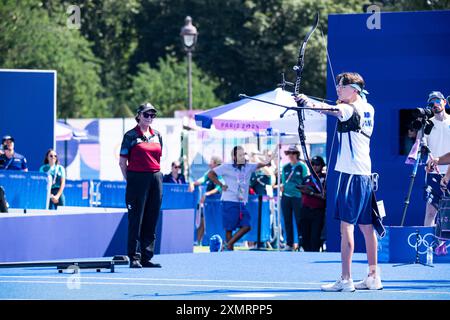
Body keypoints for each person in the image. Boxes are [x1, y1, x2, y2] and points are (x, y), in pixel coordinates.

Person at [296, 72, 382, 291]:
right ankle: (373, 277)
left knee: (347, 229)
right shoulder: (368, 107)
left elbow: (333, 110)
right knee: (366, 227)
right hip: (364, 175)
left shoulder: (348, 108)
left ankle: (346, 279)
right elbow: (340, 107)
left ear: (354, 89)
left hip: (350, 175)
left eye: (342, 87)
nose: (338, 90)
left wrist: (306, 102)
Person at [119, 102, 163, 269]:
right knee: (136, 218)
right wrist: (129, 180)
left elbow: (158, 158)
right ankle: (134, 256)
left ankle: (146, 256)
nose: (150, 117)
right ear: (138, 116)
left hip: (155, 177)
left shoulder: (158, 135)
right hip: (137, 178)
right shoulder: (130, 135)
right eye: (146, 114)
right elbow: (122, 162)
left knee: (152, 217)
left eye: (152, 115)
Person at [207, 145, 275, 251]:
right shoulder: (226, 166)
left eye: (243, 154)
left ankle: (226, 246)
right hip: (229, 201)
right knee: (229, 229)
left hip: (241, 202)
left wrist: (272, 154)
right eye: (240, 155)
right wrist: (220, 184)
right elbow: (211, 174)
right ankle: (230, 251)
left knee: (247, 226)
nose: (243, 157)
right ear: (234, 157)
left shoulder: (248, 166)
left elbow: (265, 164)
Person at [422, 92, 450, 226]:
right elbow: (421, 146)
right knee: (431, 212)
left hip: (449, 172)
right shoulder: (427, 124)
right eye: (431, 103)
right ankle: (430, 246)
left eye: (437, 101)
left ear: (444, 102)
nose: (435, 105)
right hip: (433, 174)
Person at [188, 156, 224, 246]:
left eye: (211, 162)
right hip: (209, 205)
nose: (209, 163)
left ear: (215, 164)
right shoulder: (209, 173)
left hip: (219, 205)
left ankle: (221, 243)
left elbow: (219, 187)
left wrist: (206, 194)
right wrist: (192, 183)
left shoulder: (221, 173)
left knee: (217, 224)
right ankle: (198, 242)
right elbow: (201, 180)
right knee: (203, 221)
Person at [280, 145, 308, 251]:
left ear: (297, 154)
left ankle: (301, 244)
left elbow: (305, 181)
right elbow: (283, 181)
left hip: (298, 196)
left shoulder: (302, 166)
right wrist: (283, 187)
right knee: (287, 220)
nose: (290, 155)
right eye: (289, 153)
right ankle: (289, 243)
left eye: (293, 153)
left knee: (299, 220)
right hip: (286, 196)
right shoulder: (285, 167)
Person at [297, 156, 326, 252]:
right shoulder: (306, 179)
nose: (314, 166)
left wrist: (311, 193)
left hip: (318, 211)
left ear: (322, 166)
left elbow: (325, 196)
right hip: (305, 210)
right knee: (304, 237)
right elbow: (301, 191)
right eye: (312, 164)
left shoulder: (324, 179)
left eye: (317, 164)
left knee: (315, 238)